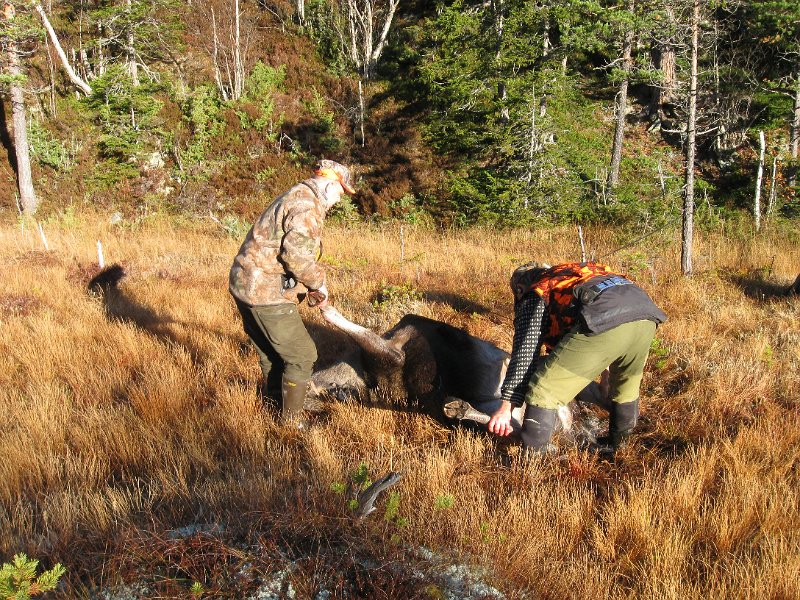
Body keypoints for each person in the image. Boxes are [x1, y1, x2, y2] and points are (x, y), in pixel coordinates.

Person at [488, 261, 667, 454]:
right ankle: (618, 448)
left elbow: (525, 354)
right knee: (625, 387)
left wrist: (506, 407)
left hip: (607, 320)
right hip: (645, 315)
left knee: (543, 391)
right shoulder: (573, 275)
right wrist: (606, 374)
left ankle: (535, 459)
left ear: (520, 287)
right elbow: (600, 311)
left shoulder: (537, 292)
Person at [229, 159, 356, 426]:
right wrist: (318, 283)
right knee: (302, 354)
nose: (339, 199)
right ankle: (291, 423)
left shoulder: (295, 194)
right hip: (264, 292)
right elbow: (296, 257)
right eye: (341, 192)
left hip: (244, 283)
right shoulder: (308, 206)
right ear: (331, 184)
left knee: (272, 353)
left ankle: (277, 405)